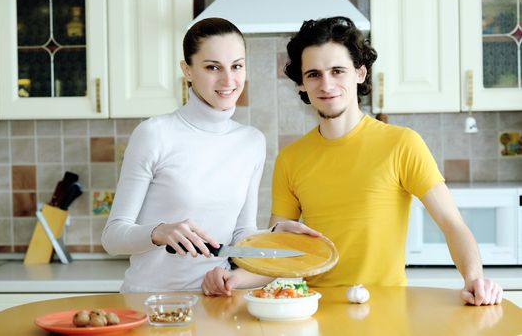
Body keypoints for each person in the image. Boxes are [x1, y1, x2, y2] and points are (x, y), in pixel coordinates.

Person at [270, 16, 503, 306]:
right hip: (312, 306)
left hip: (385, 308)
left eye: (337, 71)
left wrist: (473, 278)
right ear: (302, 84)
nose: (326, 84)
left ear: (360, 73)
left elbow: (451, 223)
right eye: (314, 74)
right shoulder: (290, 158)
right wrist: (234, 277)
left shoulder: (401, 144)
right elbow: (276, 245)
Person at [102, 17, 318, 294]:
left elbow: (241, 234)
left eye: (237, 66)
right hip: (149, 305)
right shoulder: (154, 133)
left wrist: (274, 237)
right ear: (187, 70)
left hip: (215, 301)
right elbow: (113, 237)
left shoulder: (251, 141)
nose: (228, 80)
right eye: (213, 67)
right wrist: (158, 232)